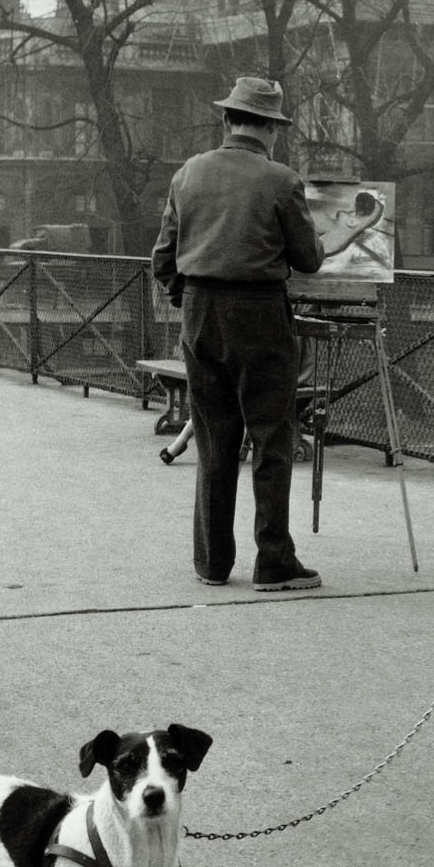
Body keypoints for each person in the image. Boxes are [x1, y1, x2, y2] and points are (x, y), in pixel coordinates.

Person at [152, 75, 325, 590]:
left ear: (227, 120)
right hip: (259, 315)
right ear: (271, 128)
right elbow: (309, 259)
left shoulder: (188, 175)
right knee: (271, 438)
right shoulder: (280, 180)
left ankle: (211, 562)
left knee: (213, 438)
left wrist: (188, 299)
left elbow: (163, 257)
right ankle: (273, 561)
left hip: (200, 314)